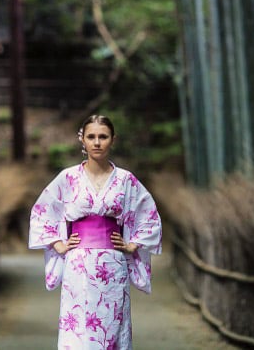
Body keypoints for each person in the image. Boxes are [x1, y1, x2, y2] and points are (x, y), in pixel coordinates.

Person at [29, 115, 162, 349]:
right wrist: (58, 243)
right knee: (79, 330)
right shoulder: (67, 178)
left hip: (113, 266)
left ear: (113, 139)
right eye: (91, 137)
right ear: (82, 140)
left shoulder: (125, 179)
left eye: (103, 136)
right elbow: (42, 210)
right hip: (78, 266)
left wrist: (132, 245)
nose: (97, 142)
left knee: (112, 329)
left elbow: (147, 212)